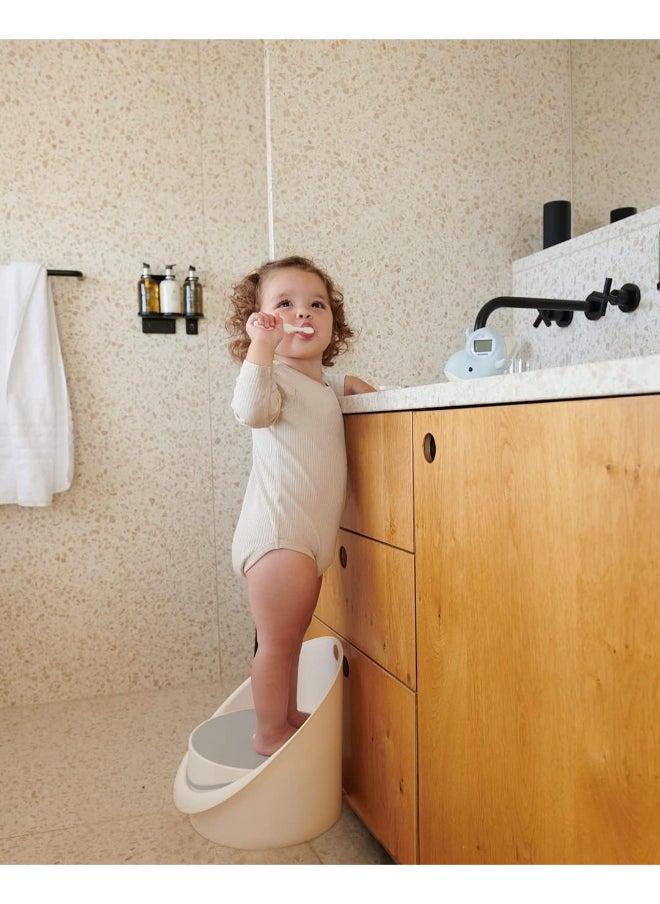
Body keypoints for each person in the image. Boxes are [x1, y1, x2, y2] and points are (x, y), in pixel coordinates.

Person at [226, 255, 375, 756]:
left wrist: (358, 386)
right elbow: (251, 411)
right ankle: (269, 731)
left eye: (317, 305)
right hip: (278, 535)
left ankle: (285, 715)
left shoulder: (321, 385)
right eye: (284, 305)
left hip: (307, 539)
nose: (303, 314)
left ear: (334, 321)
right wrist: (260, 350)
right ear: (259, 319)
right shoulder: (272, 380)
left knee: (292, 637)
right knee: (278, 643)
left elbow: (343, 390)